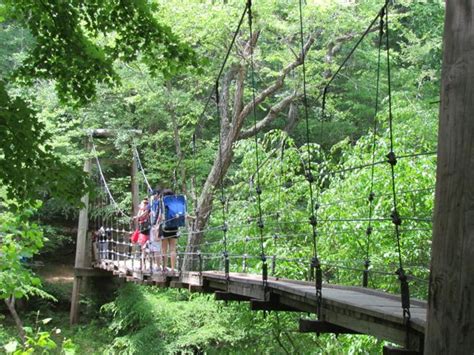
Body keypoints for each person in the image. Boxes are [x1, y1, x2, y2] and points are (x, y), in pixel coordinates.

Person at [159, 188, 179, 273]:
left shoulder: (163, 204)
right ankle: (173, 269)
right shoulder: (176, 203)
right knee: (173, 249)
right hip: (174, 227)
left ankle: (164, 267)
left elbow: (160, 216)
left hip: (165, 227)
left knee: (164, 249)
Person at [133, 198, 150, 270]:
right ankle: (143, 265)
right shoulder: (145, 210)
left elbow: (139, 218)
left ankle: (144, 266)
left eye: (145, 203)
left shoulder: (147, 210)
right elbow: (138, 218)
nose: (144, 204)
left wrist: (137, 216)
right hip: (145, 230)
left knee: (144, 249)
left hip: (145, 230)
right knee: (144, 249)